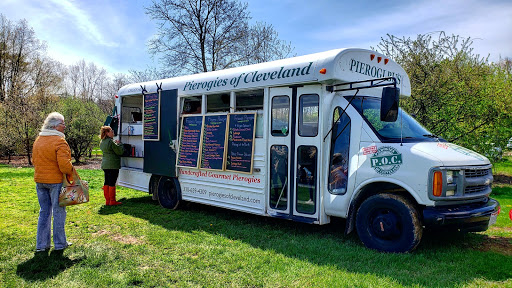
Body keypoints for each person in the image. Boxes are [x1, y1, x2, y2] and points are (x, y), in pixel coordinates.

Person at [32, 112, 74, 252]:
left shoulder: (39, 139)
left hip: (40, 180)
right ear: (55, 126)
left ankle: (41, 245)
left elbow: (34, 161)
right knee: (58, 212)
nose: (65, 126)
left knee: (44, 212)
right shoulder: (59, 141)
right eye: (63, 124)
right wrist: (71, 170)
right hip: (55, 181)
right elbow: (64, 166)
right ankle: (60, 244)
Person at [99, 126, 124, 205]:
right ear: (107, 133)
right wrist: (120, 144)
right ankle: (112, 201)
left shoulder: (102, 142)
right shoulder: (111, 141)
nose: (113, 133)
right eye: (111, 131)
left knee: (106, 182)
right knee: (112, 182)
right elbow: (120, 151)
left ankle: (107, 201)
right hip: (113, 164)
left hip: (105, 164)